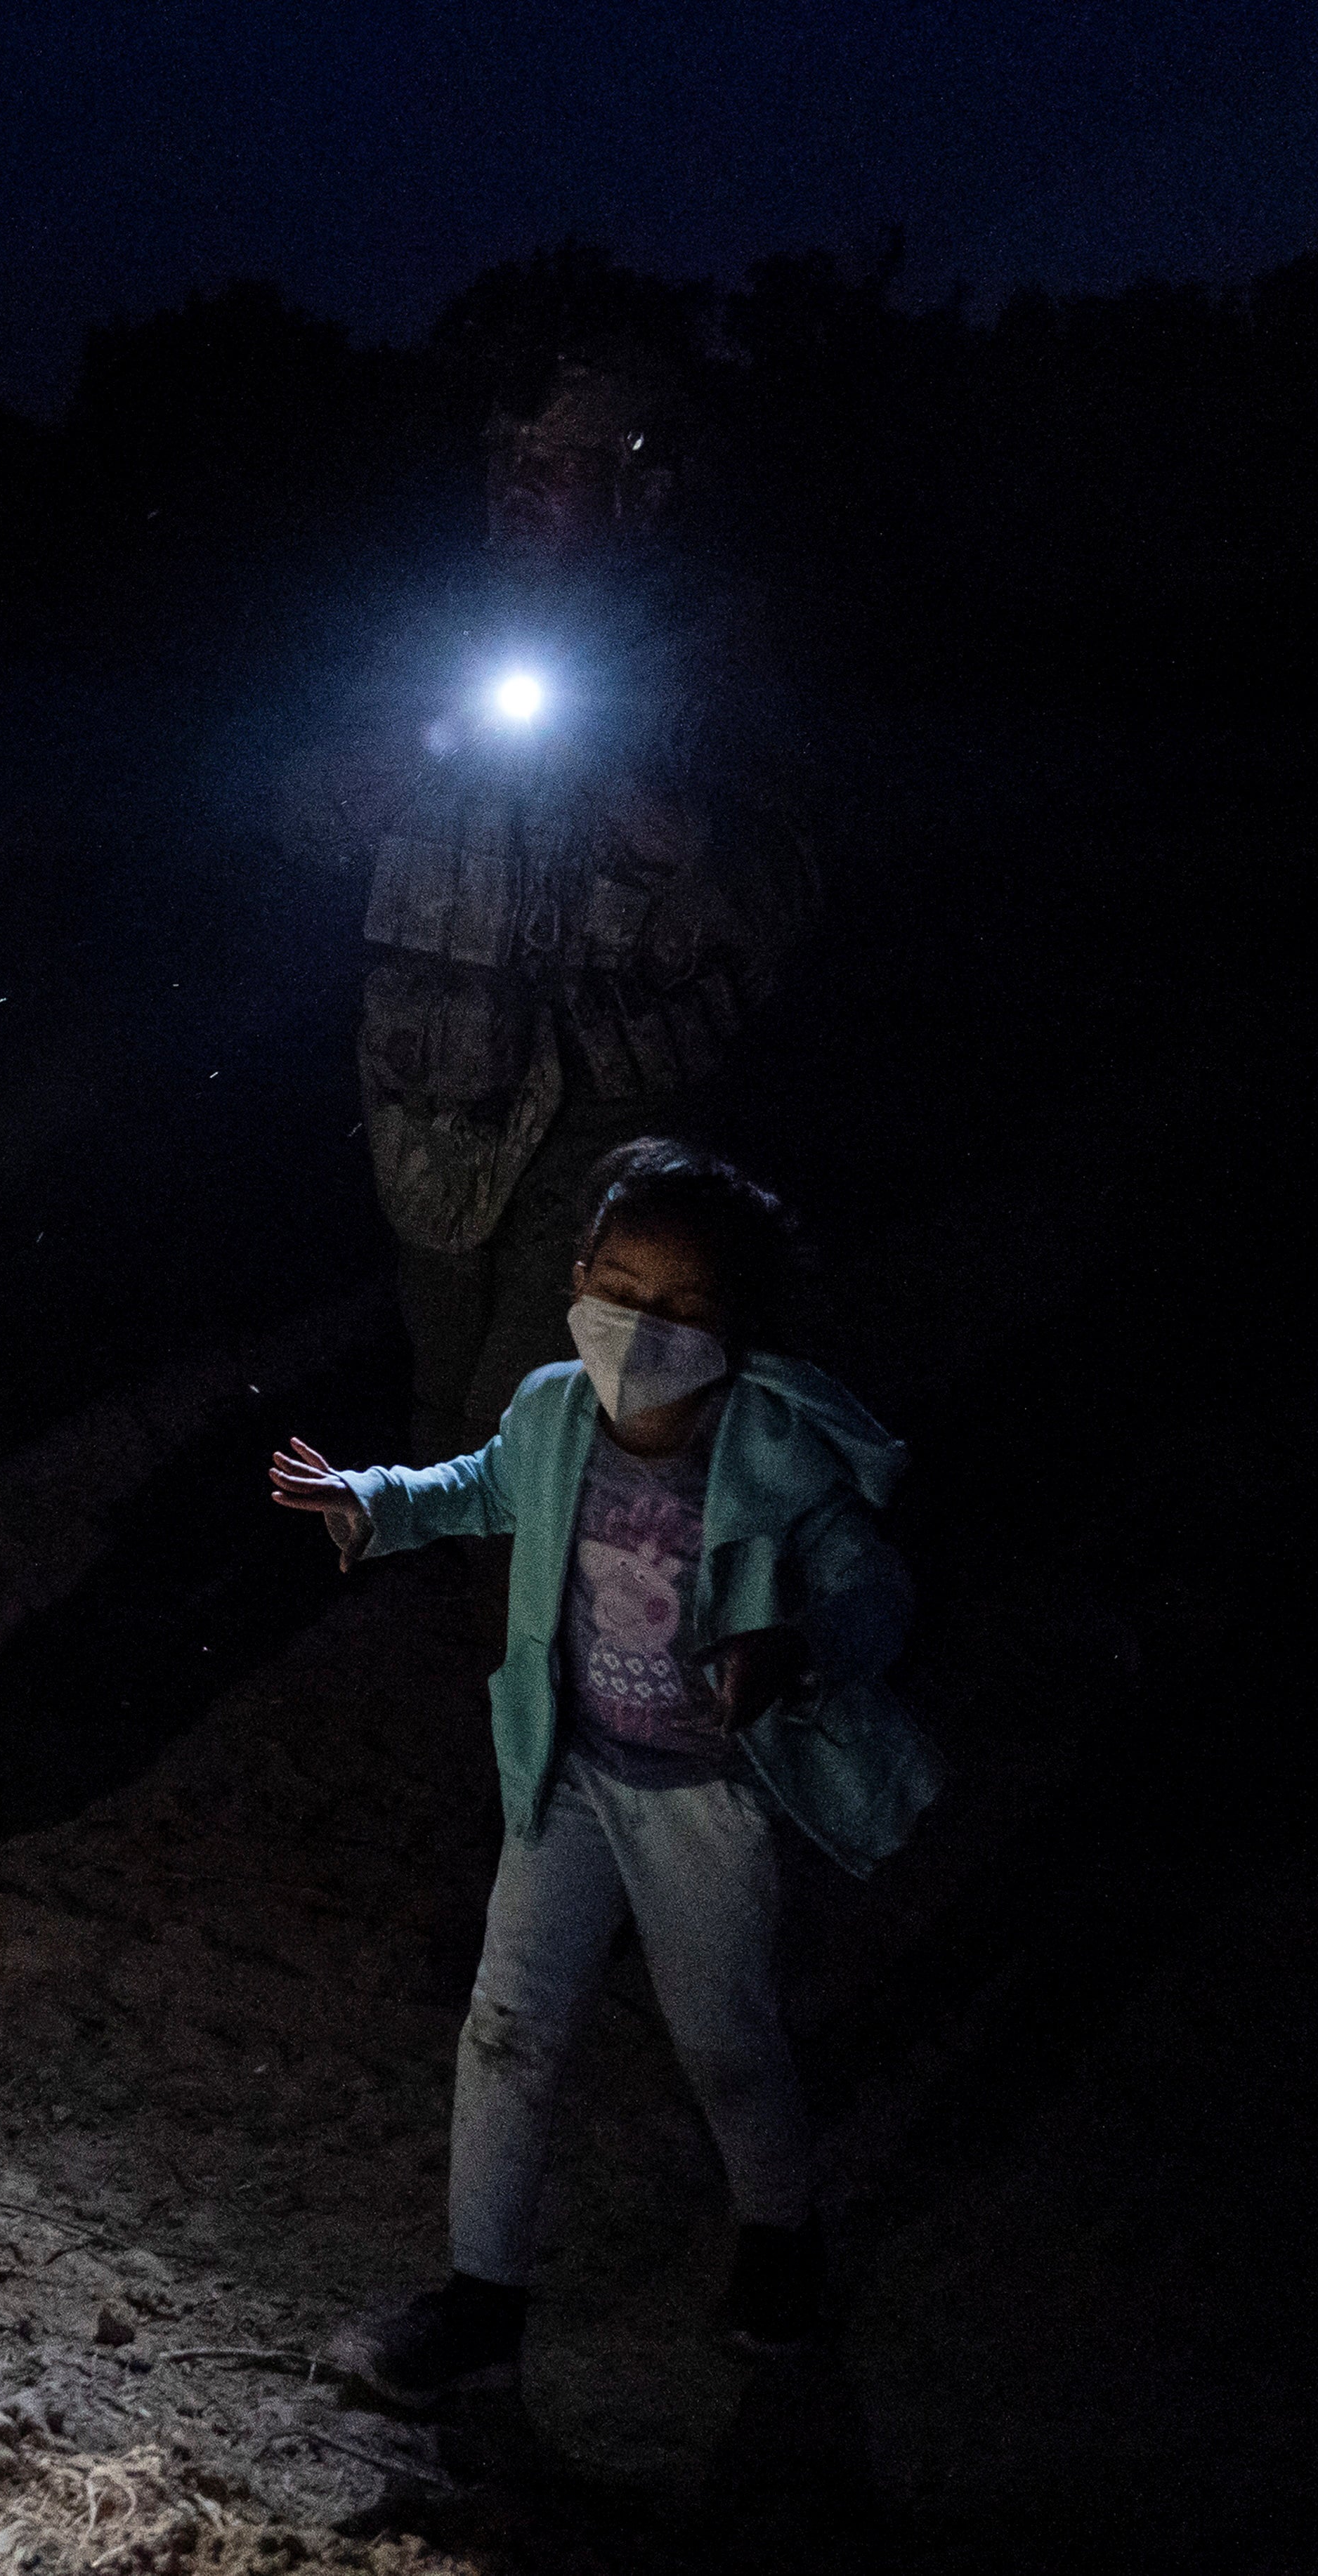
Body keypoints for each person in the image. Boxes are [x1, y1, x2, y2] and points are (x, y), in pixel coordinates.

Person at [266, 1139, 939, 2401]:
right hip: (568, 1776)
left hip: (705, 1800)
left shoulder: (772, 1452)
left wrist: (798, 1647)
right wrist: (374, 1500)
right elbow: (479, 1488)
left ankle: (780, 2243)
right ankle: (479, 2307)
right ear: (577, 1276)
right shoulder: (551, 1411)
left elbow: (871, 1590)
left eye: (683, 1306)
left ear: (736, 1323)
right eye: (620, 1288)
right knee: (507, 2029)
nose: (642, 1326)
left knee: (727, 2041)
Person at [320, 348, 818, 1459]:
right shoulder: (422, 628)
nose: (520, 484)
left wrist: (648, 806)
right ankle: (467, 1581)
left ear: (642, 484)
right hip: (434, 1085)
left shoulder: (710, 648)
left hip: (610, 1095)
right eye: (507, 456)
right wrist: (388, 756)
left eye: (560, 461)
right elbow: (302, 818)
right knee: (442, 1382)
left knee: (538, 1409)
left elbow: (781, 882)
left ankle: (550, 1605)